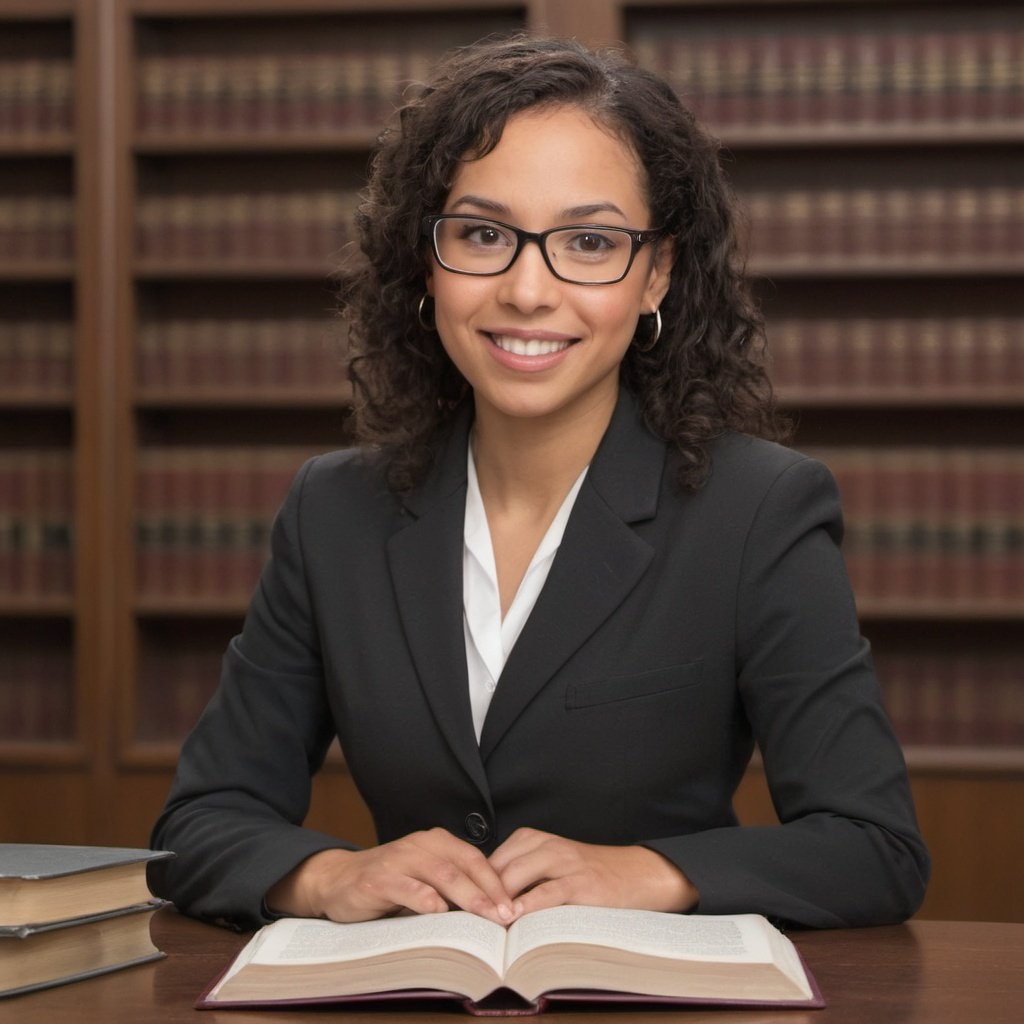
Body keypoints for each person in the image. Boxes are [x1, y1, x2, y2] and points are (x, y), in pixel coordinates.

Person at [148, 36, 929, 932]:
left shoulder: (759, 511)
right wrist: (327, 877)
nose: (527, 289)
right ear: (426, 261)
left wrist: (648, 874)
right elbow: (197, 827)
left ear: (656, 273)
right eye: (482, 234)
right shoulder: (334, 511)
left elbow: (875, 847)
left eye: (589, 242)